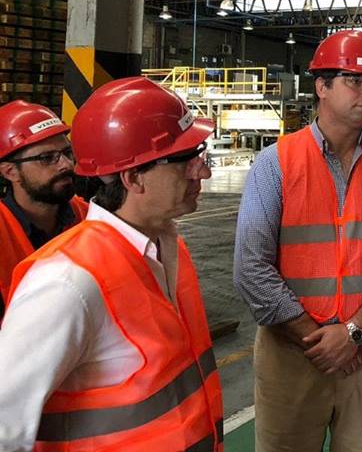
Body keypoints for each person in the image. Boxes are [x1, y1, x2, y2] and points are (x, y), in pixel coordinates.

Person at [0, 77, 223, 451]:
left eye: (199, 154)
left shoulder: (168, 248)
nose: (203, 172)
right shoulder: (67, 284)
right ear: (133, 177)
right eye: (185, 160)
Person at [234, 29, 362, 452]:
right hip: (293, 350)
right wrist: (318, 340)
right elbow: (250, 267)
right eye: (355, 81)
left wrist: (354, 331)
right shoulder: (276, 164)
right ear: (322, 86)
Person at [0, 101, 87, 317]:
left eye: (67, 152)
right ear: (10, 172)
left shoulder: (88, 217)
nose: (65, 164)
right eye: (47, 158)